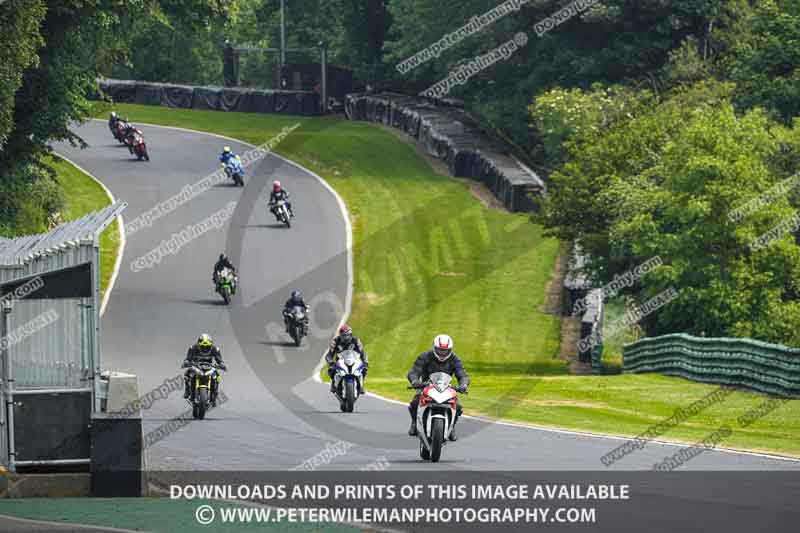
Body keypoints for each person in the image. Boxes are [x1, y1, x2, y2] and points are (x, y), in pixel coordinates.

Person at [407, 334, 469, 441]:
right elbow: (414, 371)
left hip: (446, 388)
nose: (442, 353)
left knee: (457, 406)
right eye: (440, 350)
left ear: (450, 350)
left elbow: (462, 374)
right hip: (426, 386)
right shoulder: (425, 356)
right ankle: (414, 423)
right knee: (415, 402)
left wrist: (463, 384)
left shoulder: (455, 359)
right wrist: (414, 381)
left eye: (445, 350)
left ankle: (451, 427)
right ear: (435, 348)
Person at [182, 334, 227, 404]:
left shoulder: (215, 349)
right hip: (196, 365)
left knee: (217, 376)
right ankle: (187, 390)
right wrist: (186, 362)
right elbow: (188, 358)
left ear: (211, 345)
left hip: (209, 366)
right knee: (187, 374)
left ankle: (214, 394)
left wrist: (222, 365)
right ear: (199, 344)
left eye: (207, 347)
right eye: (203, 346)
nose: (205, 348)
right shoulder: (193, 348)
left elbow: (219, 360)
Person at [325, 324, 368, 394]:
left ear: (350, 335)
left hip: (353, 360)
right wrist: (330, 361)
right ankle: (333, 383)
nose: (345, 338)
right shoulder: (335, 341)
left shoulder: (356, 341)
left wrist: (365, 361)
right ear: (340, 335)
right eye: (343, 336)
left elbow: (363, 353)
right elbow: (329, 355)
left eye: (346, 335)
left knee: (364, 369)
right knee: (331, 369)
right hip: (340, 361)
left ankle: (361, 386)